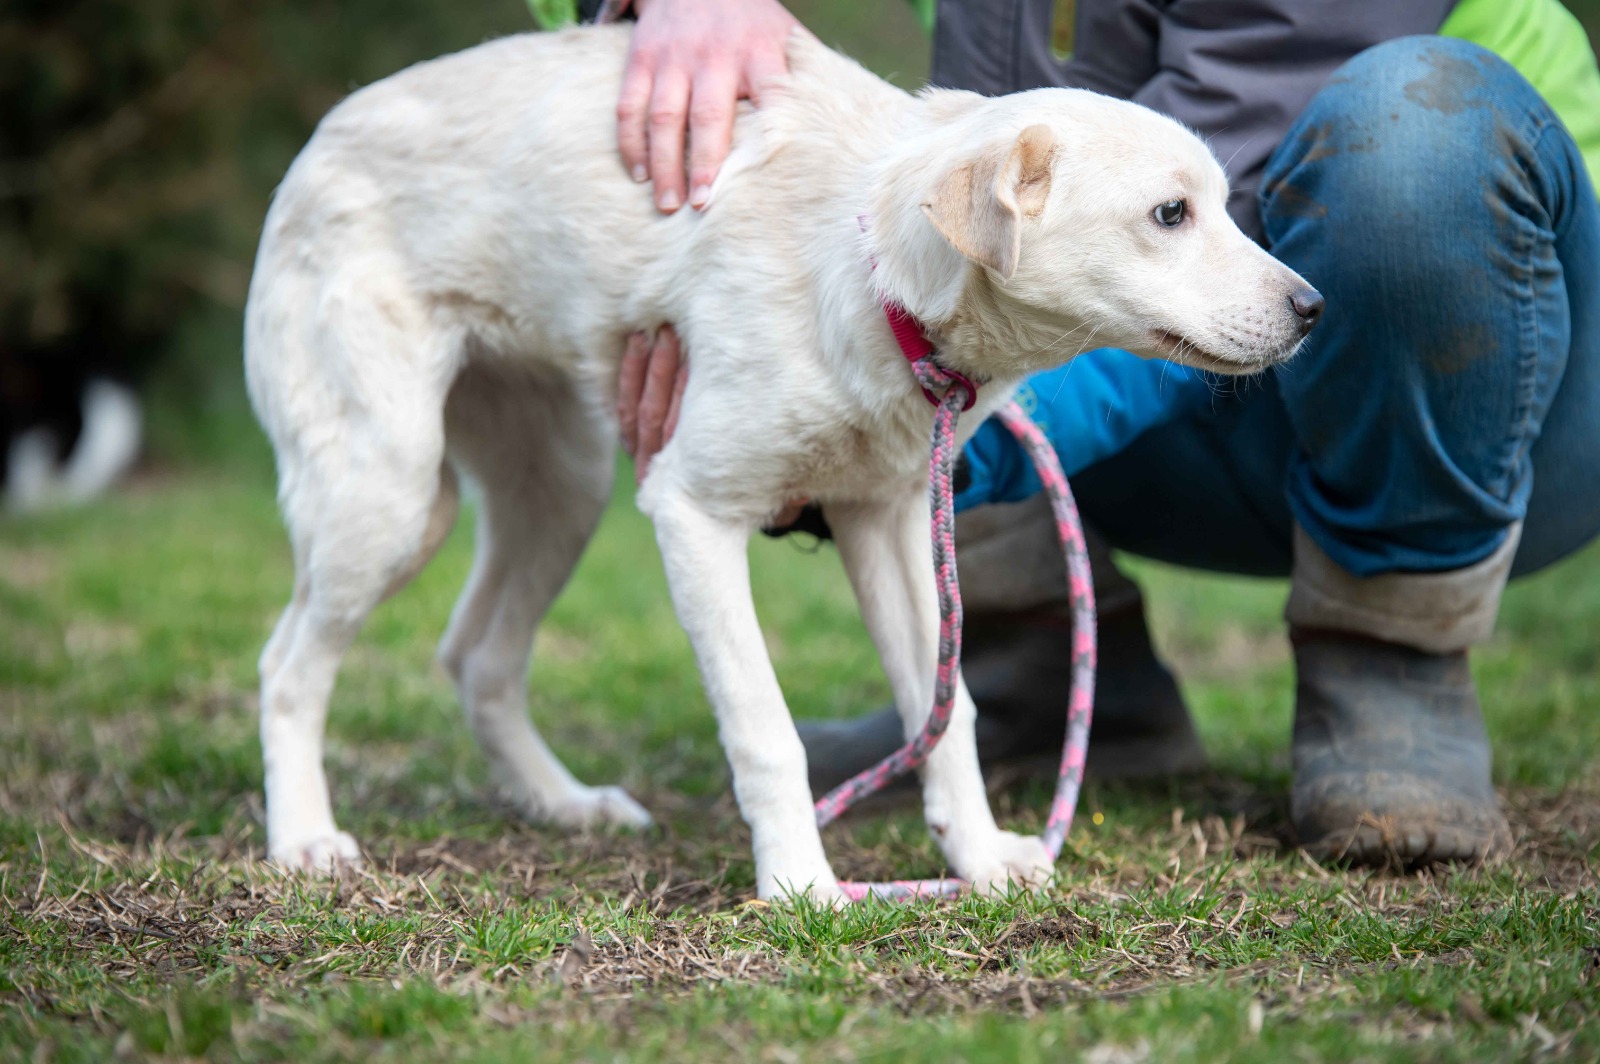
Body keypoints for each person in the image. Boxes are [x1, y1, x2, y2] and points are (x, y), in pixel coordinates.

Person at [586, 0, 1600, 865]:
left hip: (1499, 394)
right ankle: (1043, 660)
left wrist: (891, 417)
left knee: (1414, 129)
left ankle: (1393, 645)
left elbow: (1230, 166)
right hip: (1149, 392)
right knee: (939, 251)